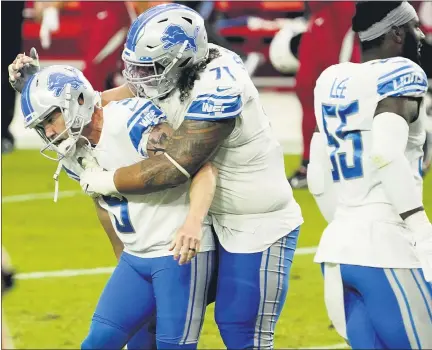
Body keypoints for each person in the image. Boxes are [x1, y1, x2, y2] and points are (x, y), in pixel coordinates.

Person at [10, 4, 303, 347]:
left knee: (239, 328)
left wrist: (103, 179)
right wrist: (46, 89)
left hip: (253, 219)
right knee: (132, 332)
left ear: (178, 61)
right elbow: (100, 101)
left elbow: (180, 165)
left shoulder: (220, 83)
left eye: (146, 67)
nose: (136, 75)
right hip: (198, 222)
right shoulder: (177, 70)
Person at [19, 64, 217, 349]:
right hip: (136, 259)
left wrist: (194, 222)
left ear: (78, 100)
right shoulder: (74, 150)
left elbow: (201, 167)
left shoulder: (130, 122)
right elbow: (104, 206)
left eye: (51, 117)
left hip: (178, 255)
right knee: (98, 343)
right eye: (41, 125)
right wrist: (120, 254)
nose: (49, 132)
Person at [308, 1, 432, 348]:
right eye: (413, 27)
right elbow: (386, 152)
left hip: (338, 250)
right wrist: (421, 229)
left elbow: (318, 174)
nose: (420, 35)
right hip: (387, 249)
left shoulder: (332, 79)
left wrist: (348, 223)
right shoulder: (403, 73)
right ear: (396, 32)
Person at [287, 1, 361, 189]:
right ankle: (310, 165)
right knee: (311, 104)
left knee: (338, 116)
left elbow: (348, 32)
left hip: (333, 63)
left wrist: (341, 70)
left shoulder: (340, 9)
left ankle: (333, 169)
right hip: (321, 46)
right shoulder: (323, 14)